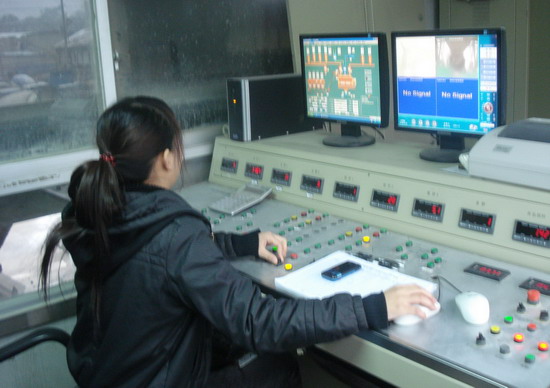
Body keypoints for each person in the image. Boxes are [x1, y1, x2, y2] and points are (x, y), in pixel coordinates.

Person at [40, 96, 437, 388]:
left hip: (109, 374)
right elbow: (259, 323)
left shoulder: (94, 210)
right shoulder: (175, 236)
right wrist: (373, 306)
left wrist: (241, 245)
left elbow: (156, 255)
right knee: (279, 364)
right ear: (166, 159)